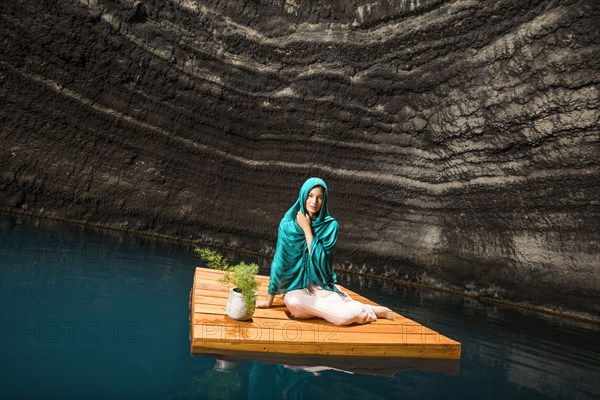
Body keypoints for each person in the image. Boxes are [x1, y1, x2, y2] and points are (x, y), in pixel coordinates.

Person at [256, 177, 394, 326]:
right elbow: (280, 261)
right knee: (293, 303)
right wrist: (269, 300)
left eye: (319, 198)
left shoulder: (330, 226)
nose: (314, 202)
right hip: (297, 287)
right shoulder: (287, 225)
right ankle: (349, 309)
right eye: (310, 196)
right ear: (303, 195)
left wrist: (307, 229)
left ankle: (363, 310)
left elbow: (322, 261)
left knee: (344, 317)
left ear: (324, 200)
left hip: (321, 285)